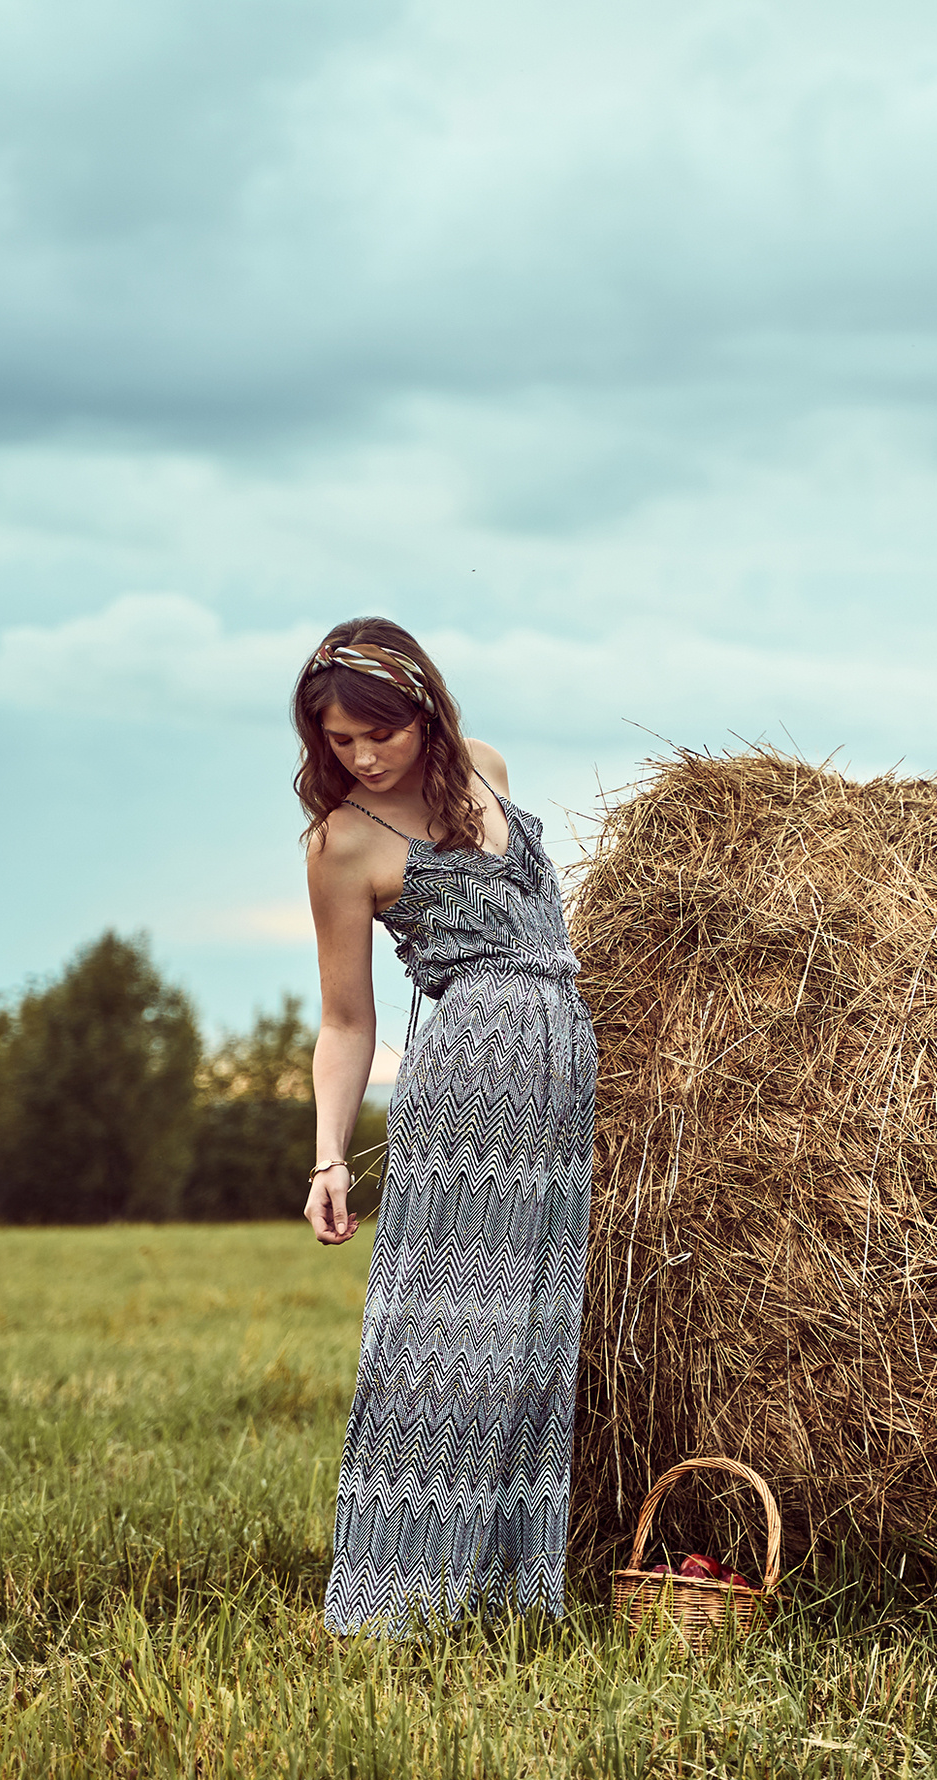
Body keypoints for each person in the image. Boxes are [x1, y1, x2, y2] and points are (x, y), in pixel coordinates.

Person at [293, 618, 597, 1634]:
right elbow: (346, 1017)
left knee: (531, 1329)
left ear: (424, 707)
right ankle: (398, 1597)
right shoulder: (344, 841)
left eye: (377, 732)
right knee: (443, 1327)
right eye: (339, 742)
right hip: (467, 1075)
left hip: (559, 1066)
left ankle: (508, 1590)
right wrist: (329, 1155)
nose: (363, 757)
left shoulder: (487, 768)